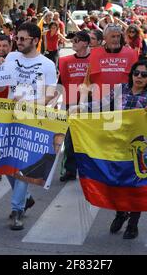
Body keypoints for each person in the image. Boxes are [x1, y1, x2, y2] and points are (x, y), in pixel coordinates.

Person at [73, 60, 147, 240]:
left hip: (139, 149)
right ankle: (121, 212)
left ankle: (133, 223)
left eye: (144, 75)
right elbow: (102, 105)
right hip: (117, 145)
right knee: (117, 182)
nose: (139, 77)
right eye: (136, 73)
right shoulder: (120, 89)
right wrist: (81, 108)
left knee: (138, 186)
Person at [0, 22, 57, 230]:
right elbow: (0, 86)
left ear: (36, 41)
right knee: (6, 164)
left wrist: (28, 104)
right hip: (10, 119)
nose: (17, 42)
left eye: (22, 39)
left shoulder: (47, 64)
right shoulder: (11, 58)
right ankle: (26, 197)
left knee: (21, 164)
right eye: (16, 39)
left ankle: (17, 209)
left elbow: (49, 96)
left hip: (32, 121)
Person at [58, 31, 91, 182]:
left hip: (90, 105)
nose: (73, 42)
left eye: (76, 40)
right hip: (70, 103)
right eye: (72, 40)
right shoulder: (65, 61)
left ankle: (89, 171)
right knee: (69, 140)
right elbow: (60, 83)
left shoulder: (94, 60)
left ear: (85, 43)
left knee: (88, 139)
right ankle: (69, 170)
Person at [86, 24, 138, 102]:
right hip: (100, 102)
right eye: (113, 36)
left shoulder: (132, 54)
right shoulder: (94, 54)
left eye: (118, 36)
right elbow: (87, 81)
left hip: (124, 102)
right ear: (105, 38)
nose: (116, 39)